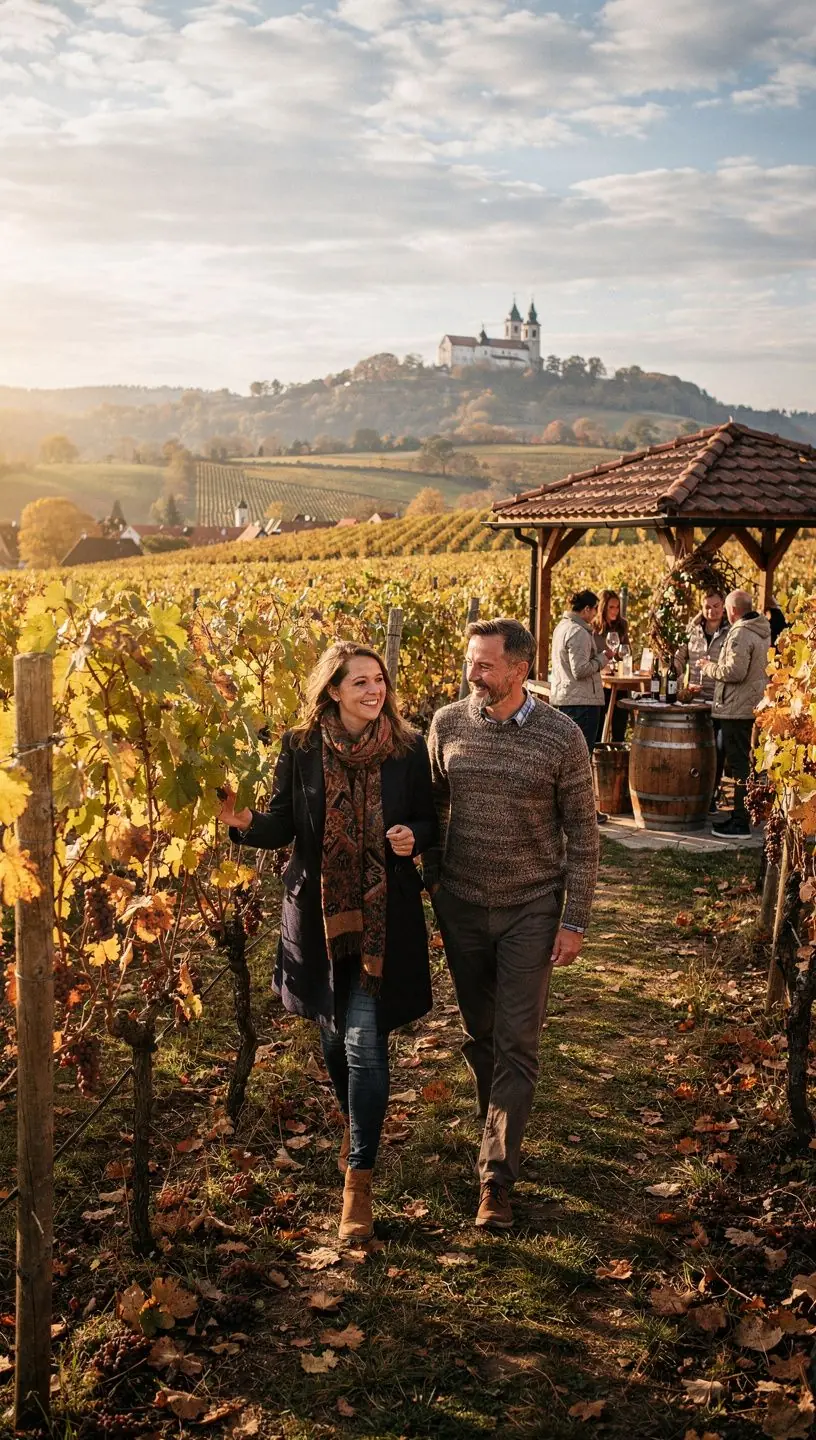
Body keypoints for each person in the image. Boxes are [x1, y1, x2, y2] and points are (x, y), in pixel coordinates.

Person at [217, 641, 438, 1242]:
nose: (375, 690)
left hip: (382, 918)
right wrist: (243, 825)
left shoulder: (408, 749)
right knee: (335, 1041)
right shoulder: (301, 748)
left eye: (380, 680)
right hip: (316, 920)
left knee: (365, 1042)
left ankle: (357, 1184)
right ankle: (353, 1122)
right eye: (360, 682)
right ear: (332, 691)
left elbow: (429, 819)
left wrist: (410, 837)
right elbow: (283, 823)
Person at [425, 618, 599, 1231]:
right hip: (463, 907)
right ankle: (497, 1124)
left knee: (517, 1042)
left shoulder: (561, 737)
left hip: (532, 907)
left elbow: (583, 833)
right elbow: (433, 805)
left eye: (484, 665)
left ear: (520, 670)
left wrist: (573, 918)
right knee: (482, 1035)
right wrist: (434, 882)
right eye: (470, 662)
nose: (473, 674)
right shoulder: (447, 724)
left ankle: (495, 1177)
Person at [701, 591, 771, 838]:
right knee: (743, 762)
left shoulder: (741, 633)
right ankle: (739, 815)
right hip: (747, 705)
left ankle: (740, 822)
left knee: (739, 765)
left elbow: (735, 671)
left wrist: (708, 667)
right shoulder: (761, 629)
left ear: (731, 610)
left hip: (735, 708)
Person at [550, 589, 613, 824]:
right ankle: (583, 813)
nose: (597, 613)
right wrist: (604, 658)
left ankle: (566, 810)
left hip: (567, 699)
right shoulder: (578, 632)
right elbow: (580, 670)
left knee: (567, 760)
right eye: (595, 609)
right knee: (581, 761)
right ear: (586, 609)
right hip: (582, 702)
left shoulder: (561, 627)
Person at [674, 590, 730, 809]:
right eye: (707, 606)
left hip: (720, 700)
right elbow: (679, 658)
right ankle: (694, 792)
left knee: (716, 750)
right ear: (702, 607)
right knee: (693, 750)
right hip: (696, 700)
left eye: (716, 606)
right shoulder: (692, 631)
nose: (712, 611)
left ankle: (712, 794)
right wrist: (674, 676)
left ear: (723, 606)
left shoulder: (730, 632)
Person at [593, 589, 630, 743]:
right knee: (599, 723)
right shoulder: (593, 628)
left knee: (620, 718)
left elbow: (626, 651)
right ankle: (598, 755)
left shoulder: (622, 625)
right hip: (600, 681)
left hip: (617, 679)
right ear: (603, 608)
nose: (615, 611)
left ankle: (617, 752)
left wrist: (621, 656)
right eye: (611, 607)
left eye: (617, 607)